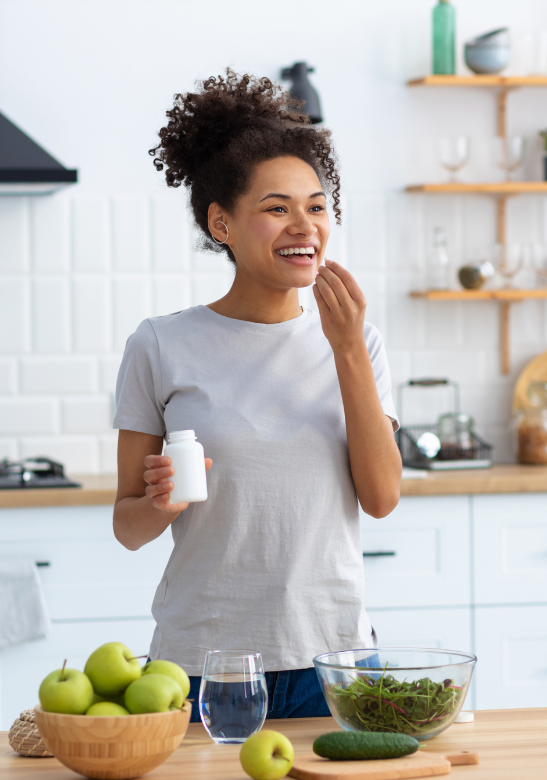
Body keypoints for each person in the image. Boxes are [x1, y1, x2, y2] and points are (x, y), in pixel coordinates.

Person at [112, 70, 402, 722]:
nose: (304, 224)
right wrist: (161, 502)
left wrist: (348, 348)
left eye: (317, 205)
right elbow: (127, 527)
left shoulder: (359, 341)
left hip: (337, 660)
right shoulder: (161, 346)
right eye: (277, 208)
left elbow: (382, 498)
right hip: (204, 667)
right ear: (223, 224)